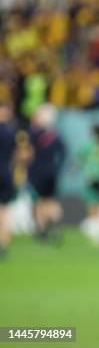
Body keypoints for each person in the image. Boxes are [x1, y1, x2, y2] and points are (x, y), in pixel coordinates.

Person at [27, 104, 66, 243]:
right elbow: (63, 152)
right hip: (52, 171)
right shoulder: (54, 135)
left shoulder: (33, 134)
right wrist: (58, 167)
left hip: (37, 171)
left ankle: (41, 229)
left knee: (39, 201)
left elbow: (28, 153)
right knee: (50, 200)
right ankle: (55, 222)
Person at [0, 101, 17, 259]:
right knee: (5, 211)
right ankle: (4, 244)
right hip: (6, 172)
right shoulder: (12, 132)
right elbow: (18, 155)